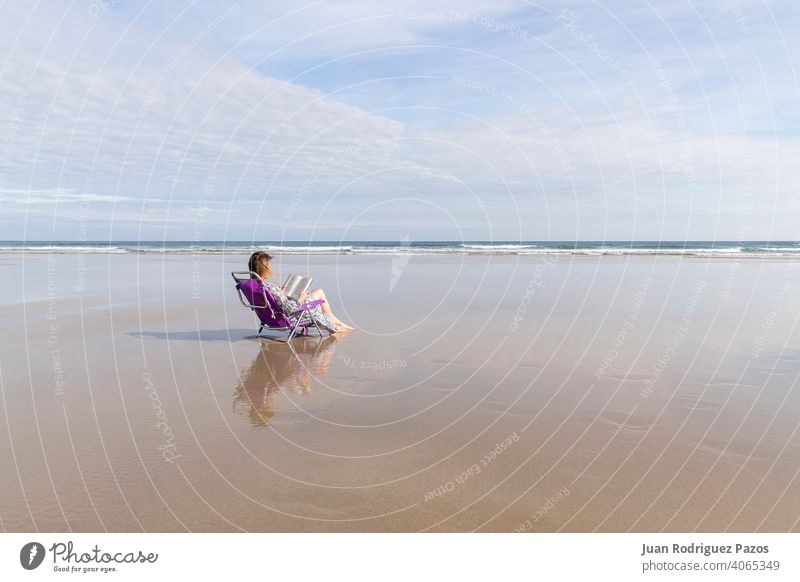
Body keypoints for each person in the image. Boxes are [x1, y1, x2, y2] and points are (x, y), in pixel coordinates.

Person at [247, 251, 353, 333]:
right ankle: (335, 324)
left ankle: (335, 322)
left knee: (316, 292)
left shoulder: (253, 287)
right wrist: (301, 298)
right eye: (270, 267)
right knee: (319, 293)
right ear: (265, 269)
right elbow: (289, 309)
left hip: (269, 319)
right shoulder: (269, 287)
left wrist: (278, 292)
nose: (271, 269)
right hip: (288, 317)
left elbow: (267, 302)